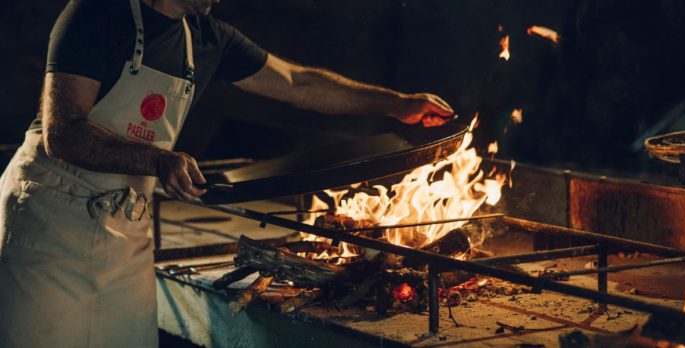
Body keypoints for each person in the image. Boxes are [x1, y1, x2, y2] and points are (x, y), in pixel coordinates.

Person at [0, 0, 454, 346]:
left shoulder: (207, 37)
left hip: (125, 227)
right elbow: (64, 133)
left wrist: (399, 105)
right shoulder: (97, 13)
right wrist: (158, 161)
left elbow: (298, 82)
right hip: (50, 223)